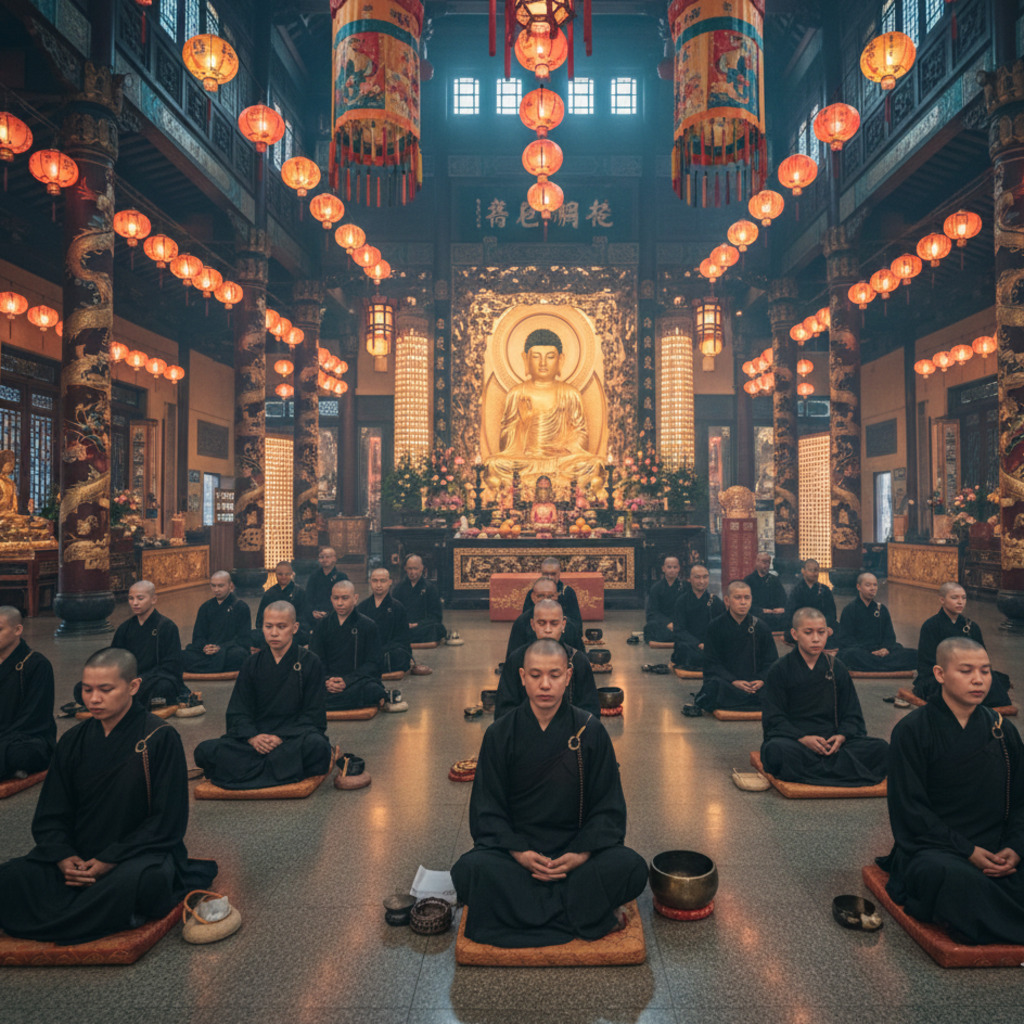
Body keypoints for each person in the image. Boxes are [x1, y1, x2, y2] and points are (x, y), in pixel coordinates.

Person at [0, 647, 216, 943]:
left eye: (105, 689)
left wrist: (109, 860)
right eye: (87, 690)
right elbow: (51, 813)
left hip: (135, 855)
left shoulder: (159, 737)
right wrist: (64, 856)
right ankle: (99, 914)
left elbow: (167, 821)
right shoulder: (73, 740)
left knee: (144, 882)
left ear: (133, 687)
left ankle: (74, 913)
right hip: (78, 855)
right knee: (10, 877)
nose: (94, 699)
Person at [451, 639, 648, 947]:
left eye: (554, 675)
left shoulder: (590, 730)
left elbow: (609, 808)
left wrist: (581, 854)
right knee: (466, 871)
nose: (545, 685)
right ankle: (581, 914)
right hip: (517, 855)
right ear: (521, 677)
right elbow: (487, 811)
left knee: (632, 868)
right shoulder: (500, 734)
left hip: (575, 851)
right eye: (535, 675)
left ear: (568, 676)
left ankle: (519, 916)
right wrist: (521, 854)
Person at [877, 637, 1024, 944]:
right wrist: (967, 851)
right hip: (936, 848)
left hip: (997, 844)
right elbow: (910, 811)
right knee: (951, 879)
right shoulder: (913, 730)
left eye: (985, 671)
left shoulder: (1002, 729)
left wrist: (1015, 847)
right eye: (967, 670)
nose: (979, 680)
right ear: (940, 674)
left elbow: (1021, 799)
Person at [193, 602, 332, 790]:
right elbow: (238, 711)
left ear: (295, 628)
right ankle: (280, 770)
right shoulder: (252, 663)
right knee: (204, 751)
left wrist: (280, 737)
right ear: (262, 628)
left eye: (281, 627)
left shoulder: (310, 662)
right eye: (268, 626)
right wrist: (252, 737)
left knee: (317, 747)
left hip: (292, 738)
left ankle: (249, 771)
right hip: (256, 739)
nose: (274, 633)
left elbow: (314, 715)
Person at [760, 608, 889, 786]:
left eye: (821, 632)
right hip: (796, 742)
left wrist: (842, 736)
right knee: (776, 751)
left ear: (828, 633)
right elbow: (774, 718)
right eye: (808, 632)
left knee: (881, 748)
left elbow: (852, 713)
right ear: (794, 634)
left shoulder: (837, 668)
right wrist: (803, 738)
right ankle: (842, 772)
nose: (816, 638)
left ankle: (818, 771)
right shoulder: (780, 670)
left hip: (832, 743)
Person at [483, 328, 607, 497]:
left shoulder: (570, 394)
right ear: (525, 359)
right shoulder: (517, 393)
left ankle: (517, 491)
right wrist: (524, 425)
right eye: (536, 356)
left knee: (593, 465)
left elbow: (581, 434)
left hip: (562, 461)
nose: (543, 363)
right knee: (494, 465)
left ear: (560, 360)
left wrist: (564, 447)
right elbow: (505, 442)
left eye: (550, 356)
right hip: (527, 460)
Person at [73, 581, 198, 713]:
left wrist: (142, 678)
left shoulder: (167, 627)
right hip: (128, 679)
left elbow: (172, 666)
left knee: (163, 687)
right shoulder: (125, 628)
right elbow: (114, 659)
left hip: (154, 679)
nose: (135, 603)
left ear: (154, 599)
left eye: (140, 598)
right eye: (131, 598)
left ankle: (118, 698)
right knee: (81, 688)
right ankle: (121, 695)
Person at [911, 582, 1012, 707]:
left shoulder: (971, 626)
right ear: (942, 600)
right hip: (942, 675)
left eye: (963, 598)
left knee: (996, 678)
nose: (960, 602)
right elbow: (927, 662)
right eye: (955, 598)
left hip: (969, 671)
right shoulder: (930, 626)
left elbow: (982, 657)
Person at [496, 598, 600, 719]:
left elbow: (591, 713)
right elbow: (503, 712)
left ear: (563, 624)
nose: (548, 630)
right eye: (542, 623)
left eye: (554, 623)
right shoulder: (517, 659)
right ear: (532, 624)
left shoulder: (578, 660)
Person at [694, 580, 777, 712]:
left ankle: (743, 699)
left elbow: (772, 662)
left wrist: (761, 680)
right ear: (727, 600)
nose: (743, 602)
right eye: (737, 597)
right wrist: (733, 681)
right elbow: (711, 663)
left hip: (755, 684)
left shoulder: (761, 627)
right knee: (714, 687)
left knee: (782, 685)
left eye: (747, 597)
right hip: (728, 684)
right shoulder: (715, 626)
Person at [309, 581, 387, 712]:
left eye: (345, 598)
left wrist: (347, 681)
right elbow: (315, 659)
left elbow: (374, 663)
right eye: (336, 598)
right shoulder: (322, 625)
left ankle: (327, 702)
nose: (340, 603)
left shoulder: (368, 625)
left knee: (373, 690)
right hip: (328, 683)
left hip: (356, 682)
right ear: (331, 599)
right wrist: (327, 681)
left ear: (355, 598)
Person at [0, 606, 55, 781]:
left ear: (18, 630)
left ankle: (12, 765)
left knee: (21, 754)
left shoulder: (37, 665)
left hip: (25, 736)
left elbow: (34, 717)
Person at [836, 572, 917, 672]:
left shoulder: (881, 609)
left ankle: (875, 665)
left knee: (914, 654)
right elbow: (845, 639)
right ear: (858, 587)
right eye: (868, 585)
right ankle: (886, 665)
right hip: (861, 652)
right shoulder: (849, 609)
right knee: (849, 655)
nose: (872, 588)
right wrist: (868, 651)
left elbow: (890, 637)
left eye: (875, 585)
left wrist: (886, 649)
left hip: (881, 651)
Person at [357, 567, 429, 676]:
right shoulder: (362, 607)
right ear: (370, 581)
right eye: (375, 581)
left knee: (398, 655)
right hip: (369, 651)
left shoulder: (398, 607)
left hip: (389, 651)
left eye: (383, 581)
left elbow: (403, 639)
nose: (379, 585)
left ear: (390, 582)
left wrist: (381, 650)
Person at [182, 571, 252, 674]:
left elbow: (244, 639)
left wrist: (220, 648)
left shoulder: (241, 607)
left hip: (229, 650)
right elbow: (198, 636)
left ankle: (205, 666)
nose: (216, 590)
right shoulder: (205, 607)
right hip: (207, 652)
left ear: (230, 585)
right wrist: (205, 647)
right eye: (213, 586)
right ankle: (216, 666)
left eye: (220, 586)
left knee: (240, 655)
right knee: (182, 655)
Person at [506, 577, 583, 660]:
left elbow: (580, 661)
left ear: (557, 596)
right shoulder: (521, 623)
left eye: (550, 596)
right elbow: (512, 660)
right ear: (533, 597)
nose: (546, 600)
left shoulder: (569, 625)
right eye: (540, 596)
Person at [670, 563, 725, 671]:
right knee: (686, 651)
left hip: (709, 644)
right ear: (690, 579)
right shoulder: (682, 601)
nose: (702, 581)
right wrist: (698, 644)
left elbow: (722, 627)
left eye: (705, 577)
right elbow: (679, 630)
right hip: (690, 644)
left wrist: (709, 643)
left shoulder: (715, 601)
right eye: (697, 577)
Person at [253, 561, 311, 646]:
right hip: (273, 631)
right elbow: (260, 620)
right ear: (275, 574)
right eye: (280, 574)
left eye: (287, 574)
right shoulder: (269, 594)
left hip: (293, 632)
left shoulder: (300, 593)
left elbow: (305, 618)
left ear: (292, 574)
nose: (283, 577)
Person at [393, 554, 447, 644]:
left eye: (415, 568)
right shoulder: (399, 588)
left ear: (422, 568)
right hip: (405, 626)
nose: (412, 572)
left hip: (422, 626)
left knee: (438, 628)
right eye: (410, 568)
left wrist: (417, 624)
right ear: (405, 568)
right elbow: (394, 612)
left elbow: (436, 616)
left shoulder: (430, 588)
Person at [520, 556, 583, 632]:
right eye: (546, 574)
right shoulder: (533, 593)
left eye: (553, 574)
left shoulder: (567, 592)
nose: (549, 577)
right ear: (541, 573)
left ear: (559, 573)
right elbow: (524, 623)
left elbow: (577, 625)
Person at [784, 559, 838, 637]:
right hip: (803, 626)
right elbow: (790, 613)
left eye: (816, 570)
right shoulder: (796, 590)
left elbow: (831, 612)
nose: (814, 573)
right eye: (810, 570)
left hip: (821, 625)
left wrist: (825, 625)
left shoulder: (824, 589)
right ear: (803, 571)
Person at [743, 552, 788, 632]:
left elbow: (783, 599)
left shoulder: (774, 580)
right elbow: (746, 604)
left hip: (774, 615)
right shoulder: (748, 581)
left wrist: (782, 609)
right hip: (757, 615)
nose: (767, 565)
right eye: (764, 562)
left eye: (768, 562)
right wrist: (762, 610)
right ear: (757, 562)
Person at [644, 555, 683, 643]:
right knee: (651, 626)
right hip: (662, 622)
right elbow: (652, 612)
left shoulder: (685, 586)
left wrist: (677, 623)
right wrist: (667, 623)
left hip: (680, 622)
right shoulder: (656, 588)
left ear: (679, 568)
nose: (672, 570)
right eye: (669, 567)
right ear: (663, 569)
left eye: (675, 567)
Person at [305, 548, 348, 622]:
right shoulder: (314, 577)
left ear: (334, 559)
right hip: (315, 615)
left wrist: (328, 613)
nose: (324, 559)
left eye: (327, 557)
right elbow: (308, 598)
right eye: (321, 557)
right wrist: (313, 612)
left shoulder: (341, 577)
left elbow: (345, 600)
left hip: (335, 615)